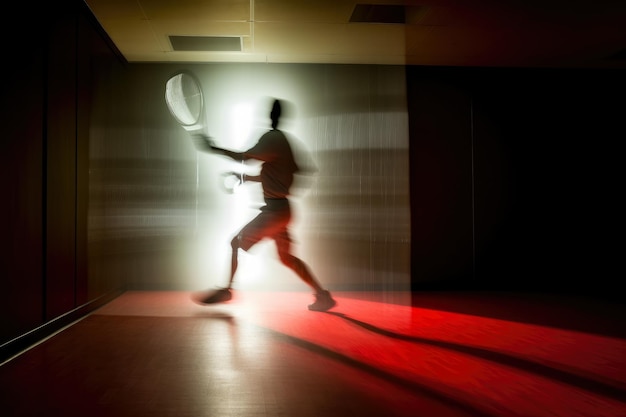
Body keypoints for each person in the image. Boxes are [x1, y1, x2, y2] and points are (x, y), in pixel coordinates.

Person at [191, 98, 336, 312]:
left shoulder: (272, 138)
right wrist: (248, 179)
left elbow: (244, 157)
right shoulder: (285, 142)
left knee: (235, 242)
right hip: (283, 210)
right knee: (287, 258)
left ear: (271, 115)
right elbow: (291, 170)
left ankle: (227, 290)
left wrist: (212, 148)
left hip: (275, 212)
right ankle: (323, 296)